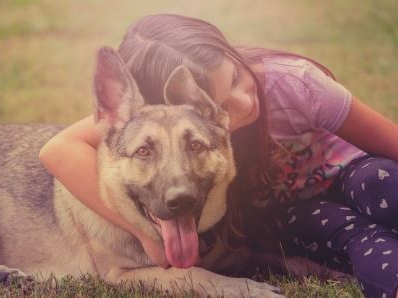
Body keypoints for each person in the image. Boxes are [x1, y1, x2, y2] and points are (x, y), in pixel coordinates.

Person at [39, 14, 398, 298]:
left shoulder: (293, 83)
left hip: (356, 173)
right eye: (222, 103)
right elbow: (58, 148)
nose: (244, 102)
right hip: (297, 211)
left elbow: (389, 140)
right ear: (177, 101)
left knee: (380, 182)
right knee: (356, 235)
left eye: (238, 77)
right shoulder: (148, 119)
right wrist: (144, 232)